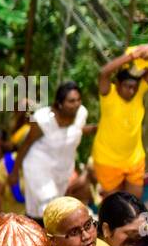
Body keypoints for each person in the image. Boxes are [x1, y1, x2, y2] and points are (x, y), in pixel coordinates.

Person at [7, 82, 92, 223]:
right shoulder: (42, 119)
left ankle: (35, 233)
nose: (76, 104)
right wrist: (14, 172)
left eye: (78, 100)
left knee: (47, 211)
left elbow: (77, 130)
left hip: (63, 169)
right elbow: (26, 145)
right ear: (59, 103)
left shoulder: (81, 113)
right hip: (38, 166)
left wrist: (97, 129)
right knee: (51, 208)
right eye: (71, 101)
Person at [92, 44, 148, 198]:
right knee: (115, 208)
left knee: (135, 205)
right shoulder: (109, 95)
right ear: (118, 84)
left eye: (134, 87)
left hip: (134, 160)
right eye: (128, 86)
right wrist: (131, 56)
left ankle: (143, 223)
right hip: (107, 160)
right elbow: (103, 73)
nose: (132, 91)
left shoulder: (139, 93)